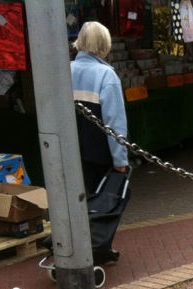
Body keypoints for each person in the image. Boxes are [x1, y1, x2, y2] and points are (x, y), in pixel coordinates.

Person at [71, 21, 129, 196]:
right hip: (101, 153)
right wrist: (120, 159)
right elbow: (114, 121)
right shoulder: (106, 74)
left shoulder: (66, 70)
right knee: (106, 200)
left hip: (74, 151)